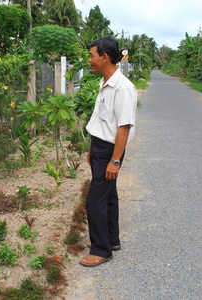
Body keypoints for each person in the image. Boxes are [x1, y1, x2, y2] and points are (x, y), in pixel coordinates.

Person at [80, 36, 137, 267]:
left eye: (92, 55)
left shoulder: (123, 87)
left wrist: (115, 161)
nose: (89, 60)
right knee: (108, 196)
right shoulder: (106, 82)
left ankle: (101, 249)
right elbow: (103, 121)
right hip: (101, 147)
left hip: (111, 150)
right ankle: (111, 240)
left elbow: (123, 127)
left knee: (94, 201)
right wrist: (93, 150)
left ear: (105, 57)